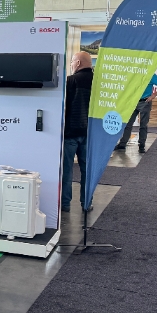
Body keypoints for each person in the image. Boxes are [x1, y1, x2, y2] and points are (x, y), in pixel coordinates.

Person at [62, 51, 93, 213]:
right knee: (87, 171)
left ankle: (65, 204)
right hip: (90, 134)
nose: (71, 65)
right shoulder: (98, 82)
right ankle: (86, 203)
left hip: (70, 133)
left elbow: (63, 107)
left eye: (72, 62)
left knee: (66, 171)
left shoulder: (70, 81)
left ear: (78, 63)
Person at [116, 69, 157, 152]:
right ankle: (123, 144)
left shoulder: (149, 74)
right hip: (133, 102)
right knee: (128, 123)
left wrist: (153, 95)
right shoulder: (132, 73)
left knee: (143, 124)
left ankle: (141, 145)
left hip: (144, 101)